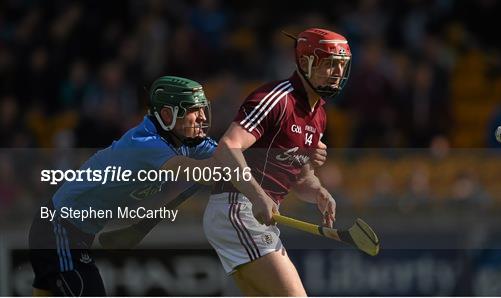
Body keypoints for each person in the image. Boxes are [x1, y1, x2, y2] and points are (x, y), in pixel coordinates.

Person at [28, 76, 217, 296]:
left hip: (73, 234)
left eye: (203, 109)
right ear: (168, 114)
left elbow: (228, 156)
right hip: (58, 229)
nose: (202, 117)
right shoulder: (146, 144)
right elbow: (202, 173)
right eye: (194, 110)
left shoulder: (185, 141)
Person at [203, 28, 352, 296]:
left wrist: (318, 190)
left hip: (250, 214)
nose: (338, 72)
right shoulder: (277, 99)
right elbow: (227, 148)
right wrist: (258, 196)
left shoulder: (318, 115)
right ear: (306, 62)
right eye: (330, 64)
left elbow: (301, 178)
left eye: (342, 65)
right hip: (239, 209)